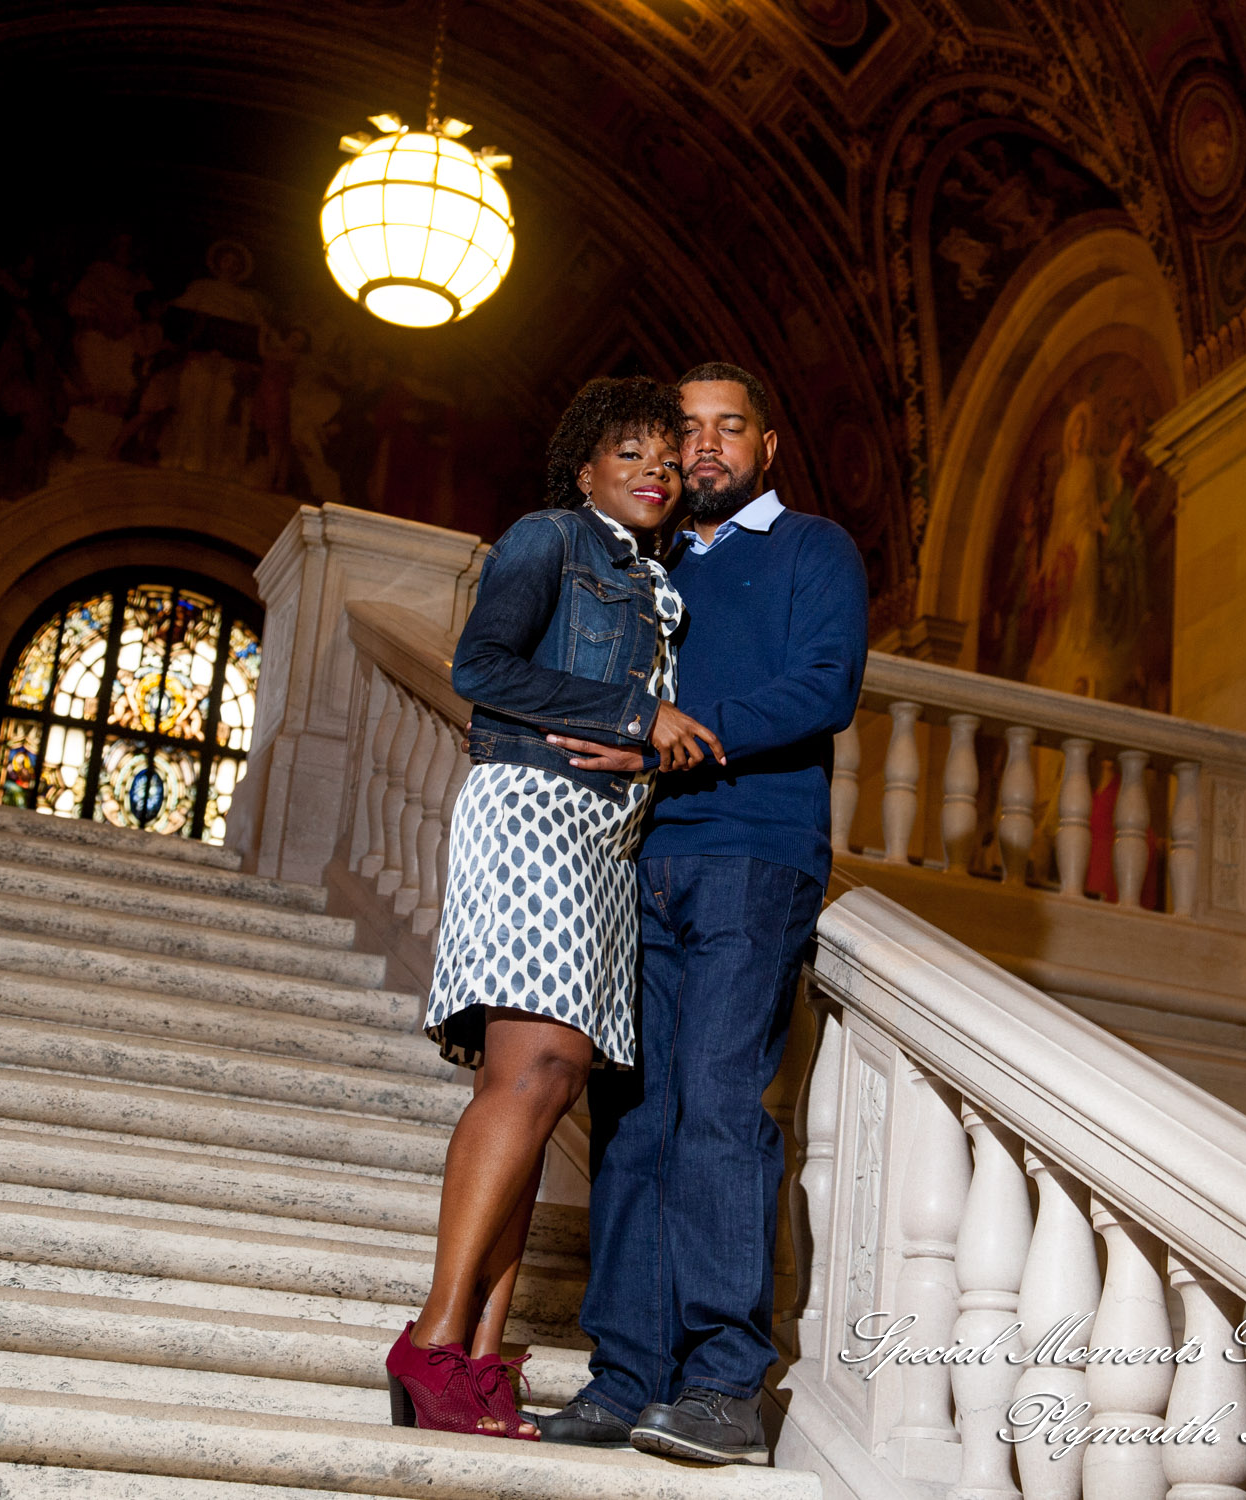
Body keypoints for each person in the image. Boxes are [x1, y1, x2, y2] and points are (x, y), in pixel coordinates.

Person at [539, 362, 870, 1463]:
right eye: (688, 429)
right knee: (632, 1123)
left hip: (751, 856)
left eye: (732, 427)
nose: (708, 445)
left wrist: (669, 729)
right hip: (638, 859)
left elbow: (823, 688)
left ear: (766, 448)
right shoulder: (648, 562)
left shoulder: (812, 548)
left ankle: (725, 1381)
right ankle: (624, 1373)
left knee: (721, 1109)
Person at [385, 376, 726, 1441]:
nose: (655, 472)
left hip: (603, 835)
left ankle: (483, 1357)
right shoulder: (548, 539)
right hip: (531, 806)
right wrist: (638, 709)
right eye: (629, 454)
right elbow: (480, 667)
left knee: (552, 1080)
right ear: (584, 469)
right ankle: (433, 1340)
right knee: (527, 1069)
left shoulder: (653, 576)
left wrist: (641, 735)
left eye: (667, 460)